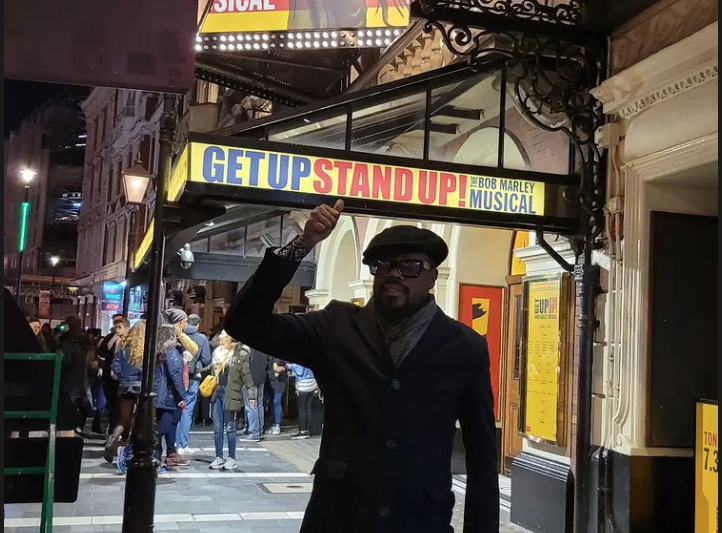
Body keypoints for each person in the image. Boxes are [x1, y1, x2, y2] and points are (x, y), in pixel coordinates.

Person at [224, 200, 499, 533]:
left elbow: (482, 457)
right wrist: (303, 244)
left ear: (432, 277)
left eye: (410, 266)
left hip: (420, 520)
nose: (394, 274)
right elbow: (243, 323)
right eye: (382, 265)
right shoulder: (335, 326)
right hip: (338, 520)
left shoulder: (464, 347)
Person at [203, 330, 255, 471]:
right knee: (217, 427)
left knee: (230, 427)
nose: (219, 336)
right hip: (217, 392)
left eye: (222, 334)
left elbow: (246, 374)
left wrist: (251, 394)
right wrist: (198, 370)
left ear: (230, 338)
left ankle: (231, 458)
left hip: (231, 392)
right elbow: (211, 368)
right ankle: (219, 457)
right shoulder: (217, 352)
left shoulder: (240, 353)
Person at [104, 320, 144, 463]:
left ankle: (113, 438)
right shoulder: (144, 348)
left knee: (123, 419)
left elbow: (116, 367)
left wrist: (123, 377)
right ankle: (130, 447)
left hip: (124, 386)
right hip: (139, 387)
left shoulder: (122, 345)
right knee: (139, 419)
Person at [153, 321, 191, 469]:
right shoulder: (171, 351)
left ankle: (157, 459)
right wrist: (182, 396)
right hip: (169, 396)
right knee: (165, 427)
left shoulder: (156, 351)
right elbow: (175, 374)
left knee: (159, 425)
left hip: (157, 394)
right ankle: (145, 450)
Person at [176, 314, 211, 454]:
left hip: (177, 377)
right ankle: (182, 444)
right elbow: (207, 359)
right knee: (187, 410)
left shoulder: (178, 336)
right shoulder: (202, 338)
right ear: (198, 324)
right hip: (192, 378)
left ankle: (173, 441)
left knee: (177, 408)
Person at [60, 315, 93, 435]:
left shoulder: (68, 341)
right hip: (81, 378)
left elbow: (65, 361)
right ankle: (78, 426)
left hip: (68, 380)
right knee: (81, 403)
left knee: (67, 407)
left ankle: (70, 430)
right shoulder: (85, 341)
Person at [98, 315, 128, 437]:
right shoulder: (110, 338)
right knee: (112, 404)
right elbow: (102, 352)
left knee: (121, 405)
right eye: (115, 327)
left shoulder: (129, 340)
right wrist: (113, 340)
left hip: (122, 377)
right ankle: (112, 428)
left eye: (120, 327)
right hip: (109, 377)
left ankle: (120, 431)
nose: (117, 330)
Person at [242, 348, 269, 442]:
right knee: (259, 404)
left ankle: (254, 433)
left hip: (250, 379)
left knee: (251, 406)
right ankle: (259, 430)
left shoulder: (246, 348)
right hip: (261, 377)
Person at [267, 358, 288, 435]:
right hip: (270, 381)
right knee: (272, 402)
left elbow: (280, 367)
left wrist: (282, 368)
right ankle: (273, 424)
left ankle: (277, 424)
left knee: (277, 402)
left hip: (279, 382)